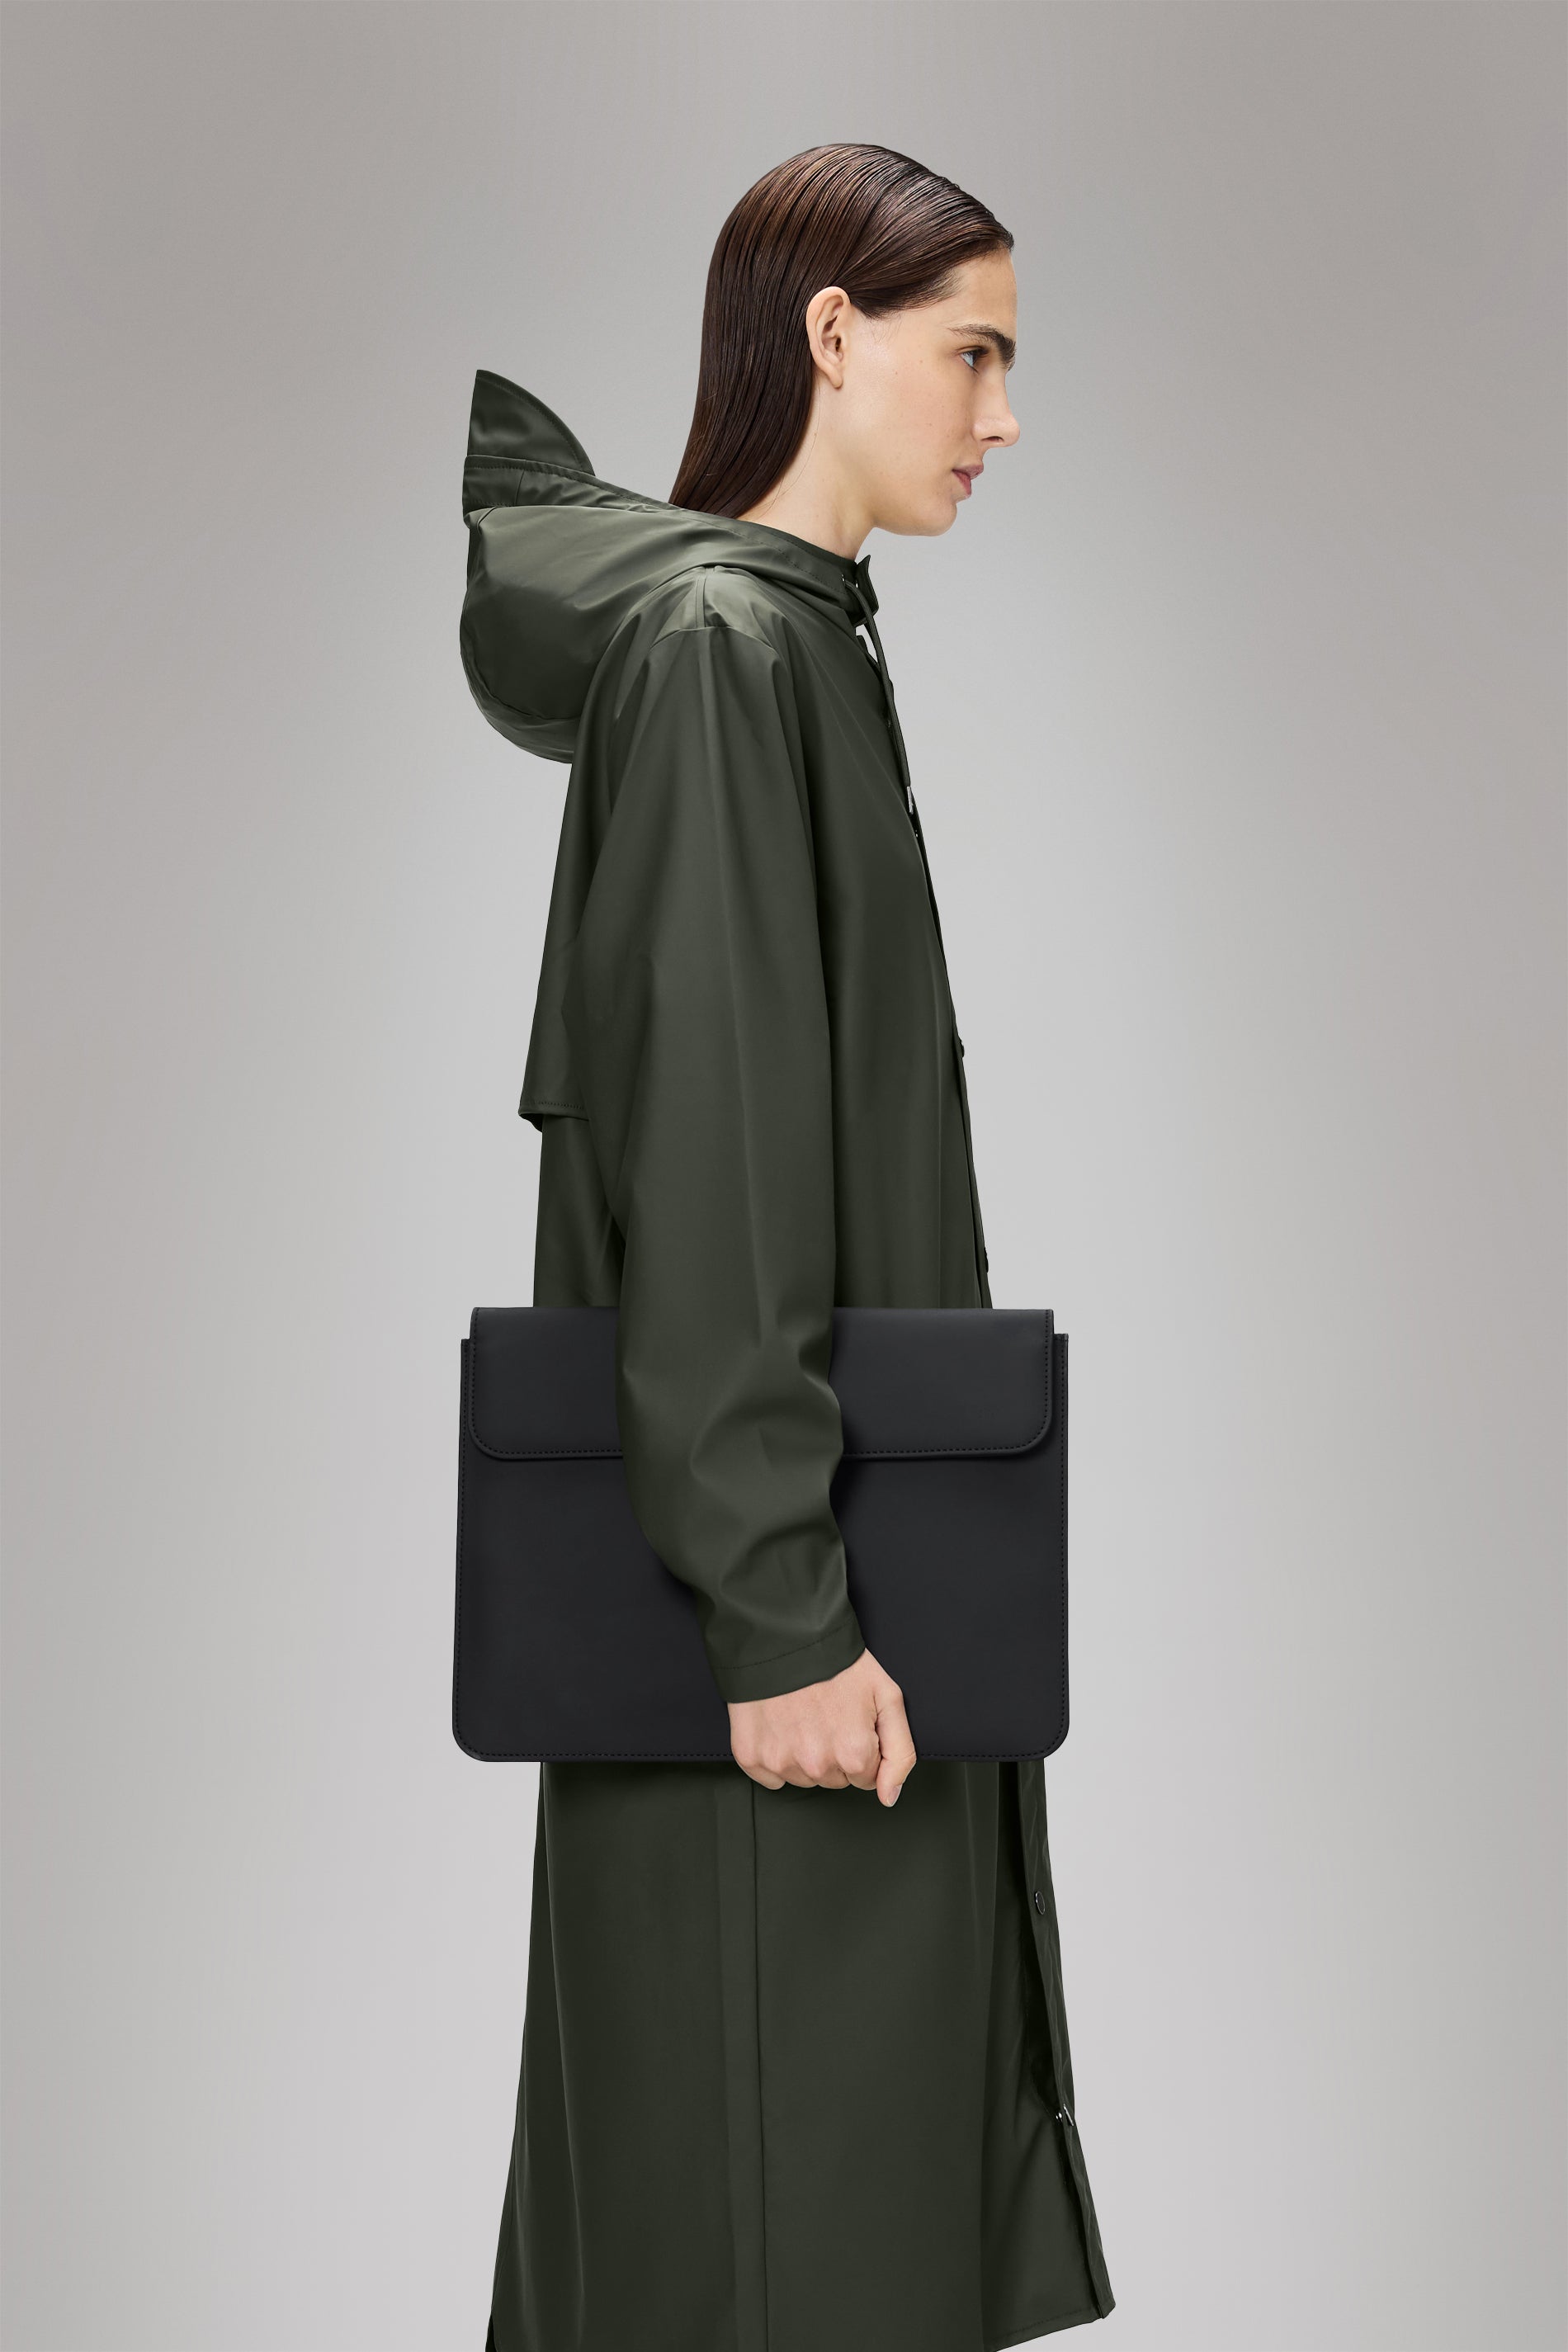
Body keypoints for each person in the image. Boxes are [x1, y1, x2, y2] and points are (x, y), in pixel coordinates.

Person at [459, 141, 1116, 2352]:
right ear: (830, 336)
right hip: (791, 1648)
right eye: (972, 355)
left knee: (809, 2218)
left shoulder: (790, 643)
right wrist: (776, 1614)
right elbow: (715, 1154)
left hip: (830, 1612)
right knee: (775, 2243)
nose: (1002, 416)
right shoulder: (728, 654)